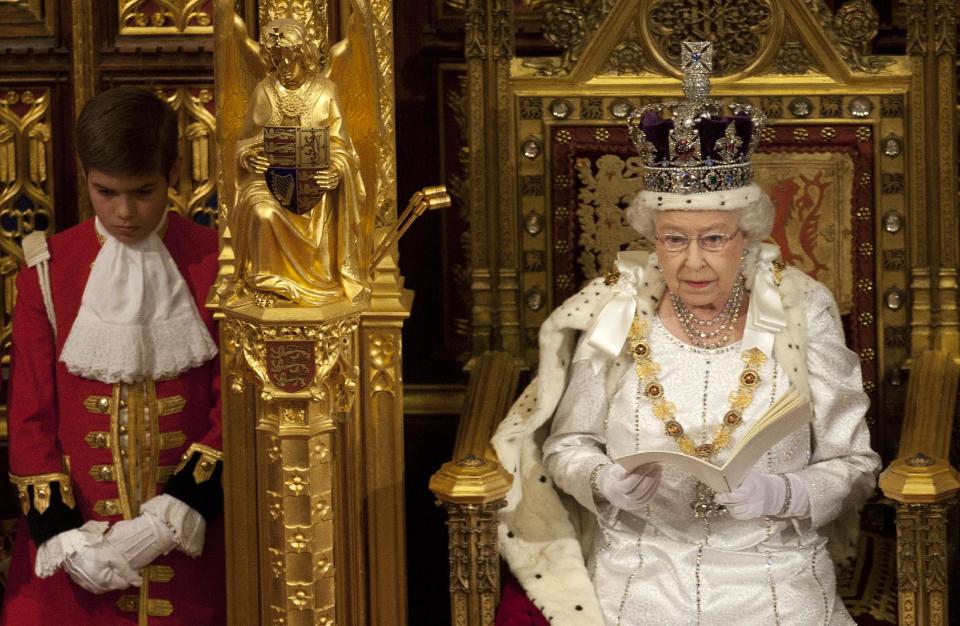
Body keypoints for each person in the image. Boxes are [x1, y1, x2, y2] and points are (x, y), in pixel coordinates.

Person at [491, 42, 879, 625]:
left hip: (775, 572)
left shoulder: (803, 311)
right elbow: (565, 445)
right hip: (641, 571)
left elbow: (856, 463)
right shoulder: (617, 315)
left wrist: (786, 496)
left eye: (713, 238)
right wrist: (602, 481)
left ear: (745, 237)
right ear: (654, 239)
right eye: (674, 238)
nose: (693, 262)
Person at [1, 86, 225, 624]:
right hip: (78, 562)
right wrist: (65, 539)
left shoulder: (220, 263)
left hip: (196, 548)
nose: (125, 213)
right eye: (106, 192)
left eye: (143, 192)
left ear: (173, 172)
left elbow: (237, 404)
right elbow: (31, 416)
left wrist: (169, 520)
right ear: (84, 175)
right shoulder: (47, 270)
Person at [231, 17, 369, 305]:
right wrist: (248, 157)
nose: (285, 67)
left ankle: (322, 279)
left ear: (304, 54)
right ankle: (267, 283)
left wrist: (335, 170)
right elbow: (245, 141)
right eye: (277, 60)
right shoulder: (264, 91)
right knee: (262, 213)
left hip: (314, 185)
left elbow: (342, 145)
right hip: (271, 182)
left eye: (290, 58)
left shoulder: (326, 90)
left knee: (319, 204)